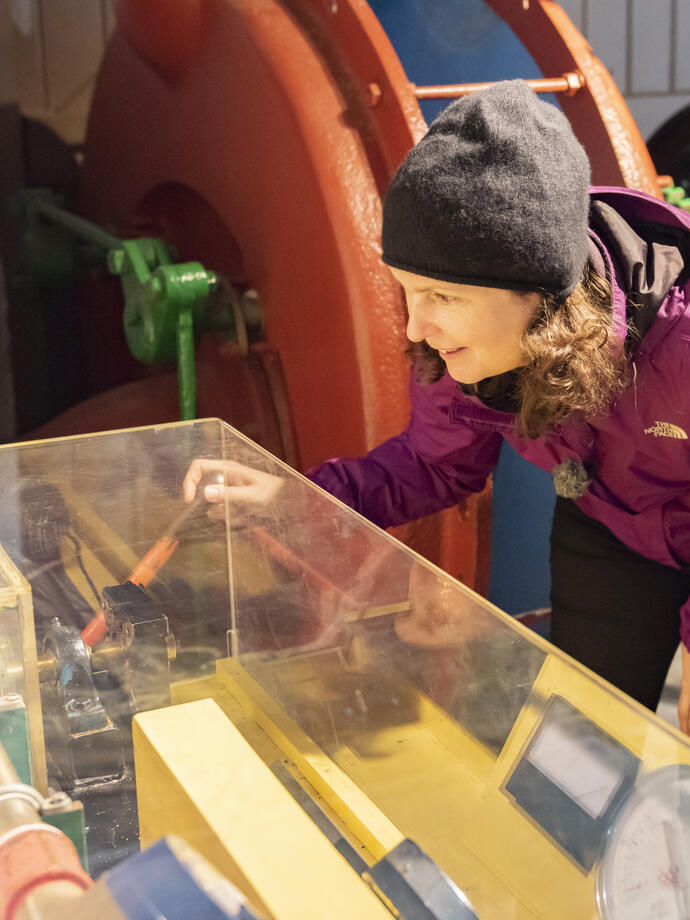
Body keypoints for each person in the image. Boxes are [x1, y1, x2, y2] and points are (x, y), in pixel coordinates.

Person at [184, 80, 690, 732]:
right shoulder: (475, 355)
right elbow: (430, 466)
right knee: (580, 739)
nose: (415, 327)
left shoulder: (677, 349)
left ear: (537, 292)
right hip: (614, 523)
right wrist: (293, 497)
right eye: (407, 293)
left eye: (442, 298)